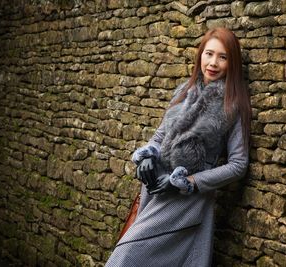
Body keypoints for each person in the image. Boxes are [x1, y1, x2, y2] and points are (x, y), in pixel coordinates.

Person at [105, 27, 251, 267]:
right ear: (200, 55)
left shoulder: (235, 105)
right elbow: (159, 136)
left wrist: (190, 183)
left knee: (125, 258)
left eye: (222, 57)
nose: (213, 63)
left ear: (232, 62)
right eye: (209, 54)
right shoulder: (184, 90)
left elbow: (238, 165)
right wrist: (147, 157)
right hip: (154, 188)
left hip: (186, 200)